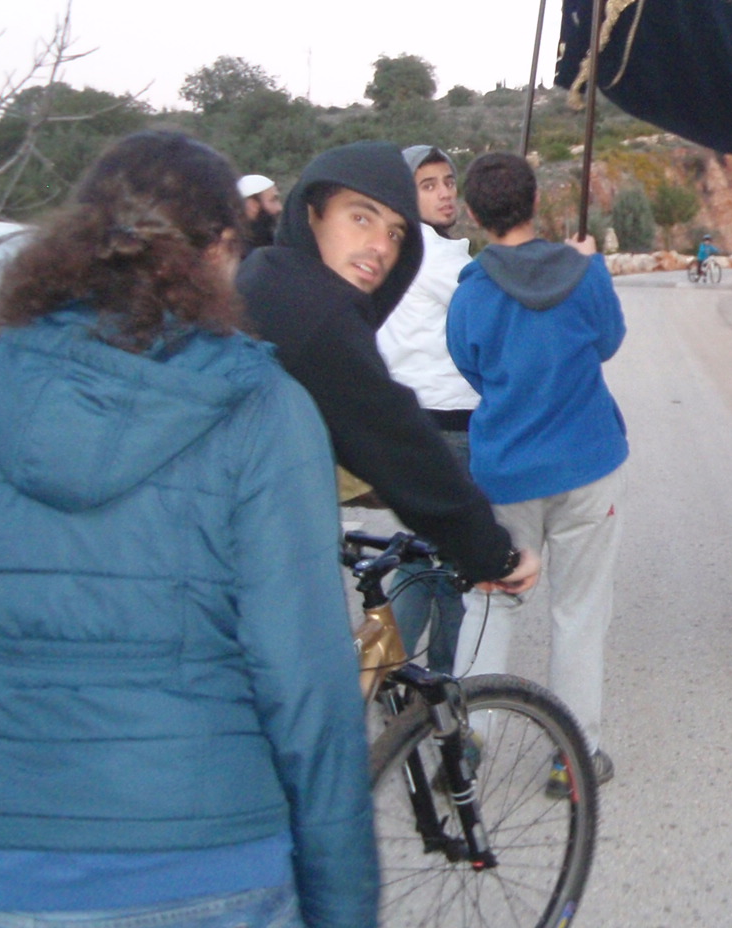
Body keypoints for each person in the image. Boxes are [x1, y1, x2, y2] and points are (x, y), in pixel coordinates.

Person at [0, 132, 376, 928]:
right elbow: (306, 685)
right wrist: (342, 903)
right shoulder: (261, 410)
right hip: (204, 858)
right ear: (224, 247)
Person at [236, 142, 536, 594]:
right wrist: (490, 552)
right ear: (311, 212)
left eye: (397, 233)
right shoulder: (311, 308)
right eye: (361, 217)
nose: (379, 245)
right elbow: (392, 436)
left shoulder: (271, 274)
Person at [447, 152, 627, 794]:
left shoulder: (471, 292)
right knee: (580, 612)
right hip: (587, 462)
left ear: (473, 213)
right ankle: (573, 756)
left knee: (491, 603)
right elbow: (607, 344)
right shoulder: (585, 273)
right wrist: (584, 265)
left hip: (505, 474)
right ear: (535, 203)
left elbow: (469, 367)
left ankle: (467, 742)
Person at [375, 146, 476, 674]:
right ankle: (444, 692)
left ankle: (379, 676)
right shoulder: (439, 259)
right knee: (457, 569)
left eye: (448, 181)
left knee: (418, 559)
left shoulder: (389, 250)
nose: (444, 193)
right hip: (450, 423)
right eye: (429, 185)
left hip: (408, 422)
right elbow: (489, 315)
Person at [238, 173, 283, 252]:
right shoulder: (235, 252)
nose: (280, 208)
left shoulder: (276, 243)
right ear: (252, 205)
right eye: (273, 200)